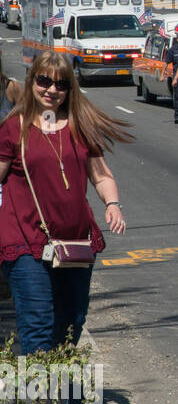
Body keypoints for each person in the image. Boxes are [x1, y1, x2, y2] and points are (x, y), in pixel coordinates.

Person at [0, 52, 131, 353]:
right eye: (44, 81)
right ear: (32, 82)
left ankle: (61, 395)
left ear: (70, 89)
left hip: (74, 240)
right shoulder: (14, 127)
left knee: (71, 321)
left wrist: (113, 205)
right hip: (24, 239)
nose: (51, 90)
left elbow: (101, 176)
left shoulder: (80, 126)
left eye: (60, 84)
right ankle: (38, 398)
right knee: (38, 322)